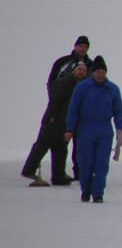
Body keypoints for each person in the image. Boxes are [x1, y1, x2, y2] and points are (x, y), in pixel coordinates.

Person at [64, 56, 122, 203]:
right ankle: (86, 190)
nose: (100, 74)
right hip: (86, 129)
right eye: (97, 71)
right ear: (93, 72)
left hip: (104, 130)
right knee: (85, 162)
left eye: (103, 71)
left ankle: (98, 193)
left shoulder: (112, 89)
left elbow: (118, 111)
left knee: (101, 165)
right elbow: (74, 109)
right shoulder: (82, 88)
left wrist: (120, 130)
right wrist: (69, 129)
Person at [22, 61, 88, 185]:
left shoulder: (79, 86)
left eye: (84, 71)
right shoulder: (63, 83)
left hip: (66, 123)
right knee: (42, 145)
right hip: (54, 120)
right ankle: (29, 170)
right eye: (79, 70)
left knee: (61, 149)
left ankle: (58, 176)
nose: (81, 73)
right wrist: (51, 117)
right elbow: (54, 102)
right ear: (74, 70)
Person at [49, 34, 93, 180]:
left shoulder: (91, 65)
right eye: (81, 46)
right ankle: (58, 173)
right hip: (63, 110)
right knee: (61, 143)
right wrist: (55, 104)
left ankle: (79, 172)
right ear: (75, 46)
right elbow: (52, 84)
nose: (83, 49)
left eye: (86, 47)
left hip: (83, 111)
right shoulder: (63, 62)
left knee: (80, 143)